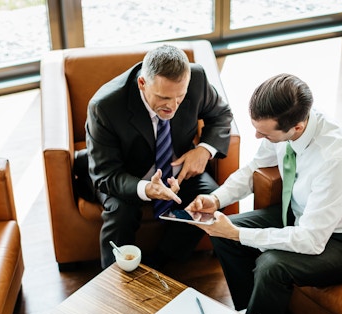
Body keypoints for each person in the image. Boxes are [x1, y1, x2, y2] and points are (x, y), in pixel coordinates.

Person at [186, 73, 342, 314]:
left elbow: (311, 240)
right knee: (220, 231)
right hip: (302, 215)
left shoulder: (336, 159)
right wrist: (216, 198)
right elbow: (256, 166)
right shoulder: (289, 126)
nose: (257, 138)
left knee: (271, 266)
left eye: (265, 134)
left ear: (297, 128)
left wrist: (238, 234)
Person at [86, 44, 233, 269]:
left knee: (212, 198)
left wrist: (204, 149)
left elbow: (221, 114)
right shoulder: (104, 106)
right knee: (120, 214)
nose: (173, 107)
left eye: (180, 97)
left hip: (178, 170)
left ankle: (163, 264)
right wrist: (146, 188)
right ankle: (113, 280)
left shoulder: (196, 79)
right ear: (142, 84)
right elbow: (105, 174)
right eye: (164, 98)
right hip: (128, 176)